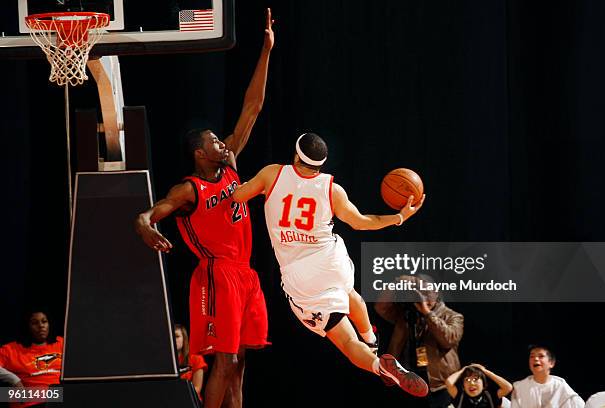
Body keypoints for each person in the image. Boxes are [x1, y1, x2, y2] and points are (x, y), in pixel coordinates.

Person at [135, 9, 274, 408]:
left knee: (241, 361)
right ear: (200, 153)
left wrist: (265, 50)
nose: (223, 144)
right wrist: (143, 223)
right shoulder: (189, 188)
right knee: (225, 360)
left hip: (245, 273)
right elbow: (153, 210)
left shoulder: (230, 167)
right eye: (215, 141)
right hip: (216, 274)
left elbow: (253, 108)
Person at [231, 132, 429, 397]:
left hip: (300, 274)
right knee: (349, 294)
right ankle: (371, 340)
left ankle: (376, 365)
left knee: (346, 341)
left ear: (295, 153)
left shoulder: (272, 173)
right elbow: (360, 222)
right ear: (322, 163)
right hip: (331, 257)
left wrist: (239, 186)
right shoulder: (331, 188)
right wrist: (399, 218)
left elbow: (238, 197)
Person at [374, 274, 464, 408]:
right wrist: (397, 282)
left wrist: (427, 312)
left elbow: (448, 339)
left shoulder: (452, 316)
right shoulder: (407, 314)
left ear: (436, 292)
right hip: (410, 381)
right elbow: (381, 307)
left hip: (440, 386)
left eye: (427, 293)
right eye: (420, 293)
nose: (423, 298)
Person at [0, 310, 63, 408]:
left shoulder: (61, 343)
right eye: (35, 323)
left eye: (44, 321)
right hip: (29, 402)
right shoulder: (11, 349)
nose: (41, 326)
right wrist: (14, 380)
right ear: (27, 327)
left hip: (60, 397)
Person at [511, 345, 585, 408]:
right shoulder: (519, 387)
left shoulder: (560, 385)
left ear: (551, 363)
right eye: (532, 356)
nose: (535, 359)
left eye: (541, 356)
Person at [445, 363, 513, 408]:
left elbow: (508, 387)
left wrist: (485, 371)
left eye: (475, 379)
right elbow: (449, 382)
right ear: (463, 386)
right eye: (467, 380)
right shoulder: (460, 396)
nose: (471, 383)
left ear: (483, 384)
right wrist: (463, 370)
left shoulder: (490, 395)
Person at [175, 324, 207, 402]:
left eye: (177, 336)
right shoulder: (165, 360)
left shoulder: (196, 358)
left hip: (190, 400)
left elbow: (197, 388)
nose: (173, 339)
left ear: (184, 339)